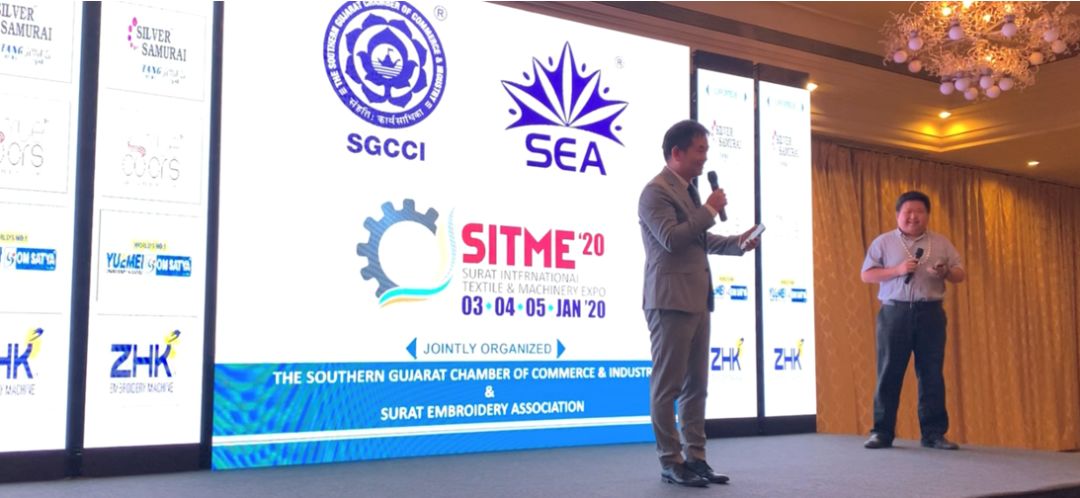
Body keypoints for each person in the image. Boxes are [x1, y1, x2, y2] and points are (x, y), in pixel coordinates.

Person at [638, 120, 760, 487]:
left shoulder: (688, 191)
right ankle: (670, 461)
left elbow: (698, 241)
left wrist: (738, 242)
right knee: (668, 387)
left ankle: (696, 458)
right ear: (676, 153)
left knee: (696, 386)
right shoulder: (655, 192)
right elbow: (672, 239)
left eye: (706, 150)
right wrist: (708, 209)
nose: (705, 158)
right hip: (669, 300)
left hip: (696, 299)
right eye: (700, 150)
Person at [860, 191, 966, 450]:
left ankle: (933, 434)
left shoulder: (940, 243)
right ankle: (881, 432)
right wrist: (898, 270)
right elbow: (867, 275)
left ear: (927, 215)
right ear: (898, 215)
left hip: (930, 313)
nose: (913, 217)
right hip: (894, 313)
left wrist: (946, 272)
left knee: (931, 373)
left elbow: (960, 274)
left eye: (919, 211)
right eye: (907, 212)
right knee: (889, 371)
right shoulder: (884, 242)